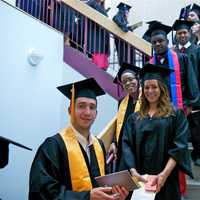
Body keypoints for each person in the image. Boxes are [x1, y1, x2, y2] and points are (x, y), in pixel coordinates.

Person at [28, 78, 128, 200]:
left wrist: (114, 194)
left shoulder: (99, 145)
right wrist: (87, 197)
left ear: (96, 114)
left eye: (92, 107)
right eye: (81, 106)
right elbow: (41, 192)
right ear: (70, 110)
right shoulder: (53, 146)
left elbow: (103, 185)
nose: (87, 112)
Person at [119, 63, 193, 200]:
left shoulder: (175, 115)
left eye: (154, 87)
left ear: (162, 89)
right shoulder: (134, 118)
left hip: (166, 180)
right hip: (141, 180)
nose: (150, 91)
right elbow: (126, 145)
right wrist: (133, 172)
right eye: (146, 87)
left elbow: (179, 146)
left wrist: (163, 175)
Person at [147, 22, 199, 198]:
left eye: (160, 41)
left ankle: (181, 189)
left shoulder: (181, 59)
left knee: (178, 150)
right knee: (161, 150)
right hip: (158, 114)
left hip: (178, 111)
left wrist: (191, 103)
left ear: (167, 41)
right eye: (154, 42)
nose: (158, 44)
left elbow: (191, 81)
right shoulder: (151, 64)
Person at [172, 19, 200, 167]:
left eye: (184, 32)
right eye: (179, 33)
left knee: (196, 127)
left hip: (195, 95)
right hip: (179, 96)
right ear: (176, 35)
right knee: (180, 128)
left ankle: (197, 154)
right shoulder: (173, 51)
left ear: (189, 34)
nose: (182, 35)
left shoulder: (197, 50)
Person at [107, 63, 141, 173]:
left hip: (140, 148)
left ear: (138, 78)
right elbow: (118, 125)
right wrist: (113, 142)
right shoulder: (122, 102)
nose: (128, 83)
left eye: (130, 79)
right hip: (124, 149)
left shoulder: (147, 98)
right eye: (124, 82)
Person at [86, 0, 110, 70]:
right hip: (95, 35)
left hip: (102, 37)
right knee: (97, 65)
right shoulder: (92, 3)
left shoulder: (101, 6)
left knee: (102, 64)